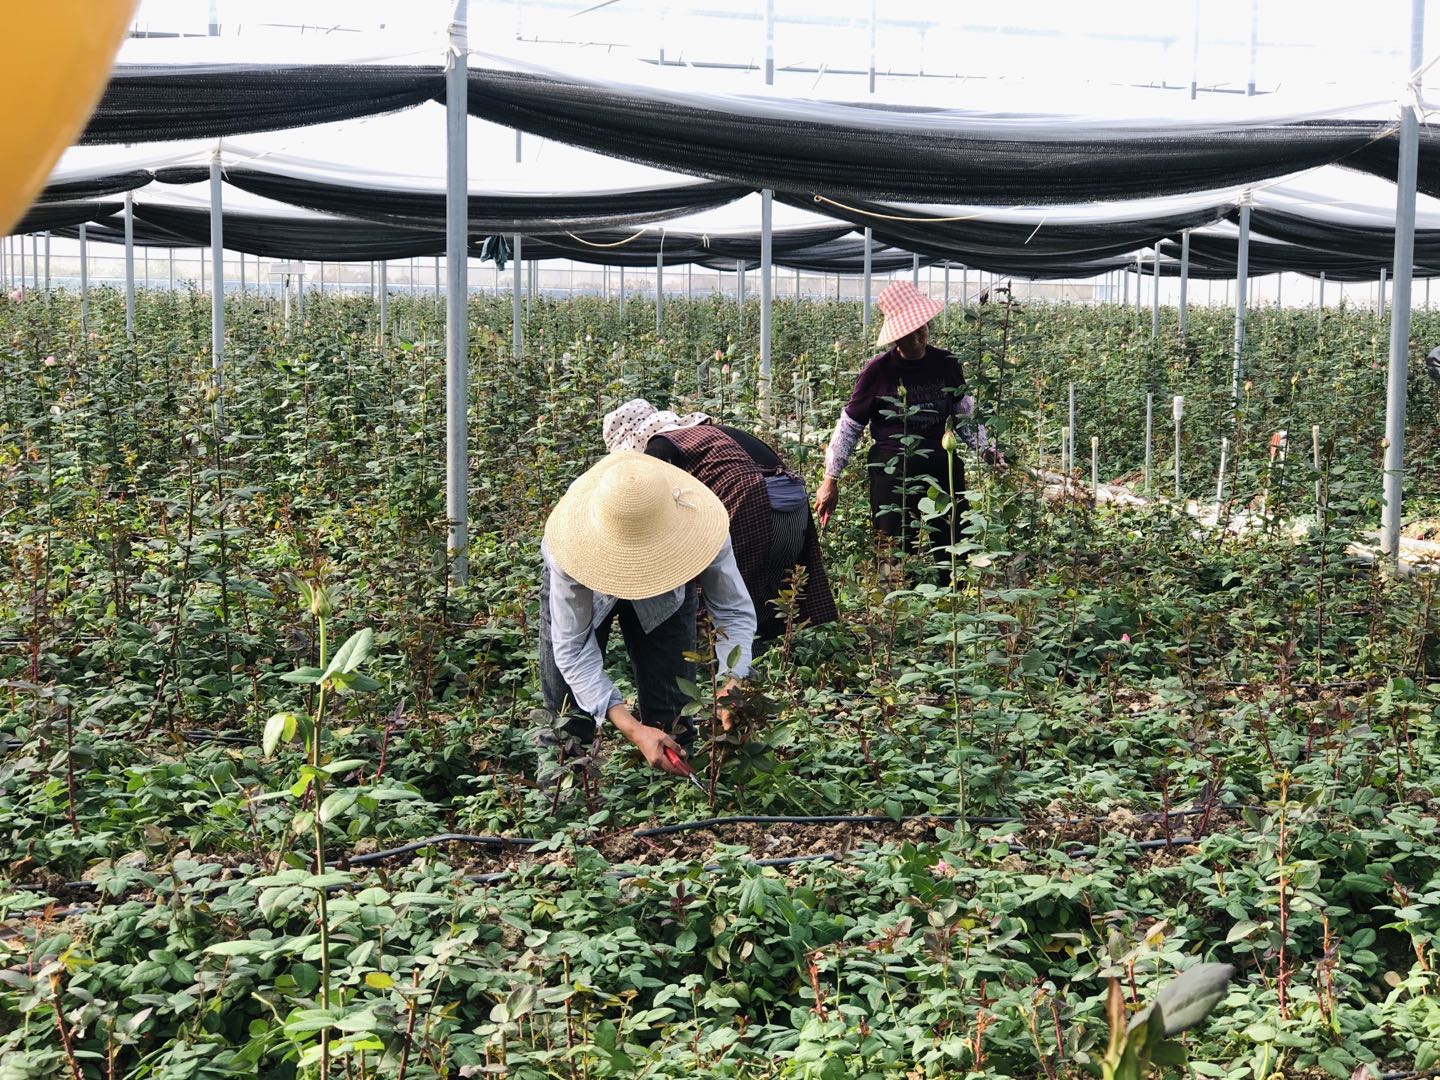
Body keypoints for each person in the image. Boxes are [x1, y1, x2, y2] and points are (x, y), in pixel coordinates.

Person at [537, 451, 758, 784]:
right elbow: (573, 649)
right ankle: (561, 796)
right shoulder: (569, 549)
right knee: (566, 716)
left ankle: (677, 790)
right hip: (588, 585)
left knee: (673, 714)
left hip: (667, 599)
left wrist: (732, 684)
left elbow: (733, 612)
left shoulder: (702, 524)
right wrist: (632, 727)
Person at [602, 398, 838, 643]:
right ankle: (767, 663)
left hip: (753, 504)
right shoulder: (713, 432)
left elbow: (656, 517)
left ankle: (732, 670)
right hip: (794, 508)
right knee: (768, 591)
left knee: (725, 596)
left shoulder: (660, 446)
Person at [813, 280, 982, 573]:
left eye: (922, 328)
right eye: (909, 332)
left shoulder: (946, 363)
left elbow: (964, 414)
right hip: (892, 472)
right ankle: (896, 614)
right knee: (893, 555)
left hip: (942, 470)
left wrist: (989, 450)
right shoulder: (878, 372)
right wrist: (831, 478)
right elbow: (850, 427)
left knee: (954, 548)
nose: (918, 336)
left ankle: (953, 600)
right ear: (896, 337)